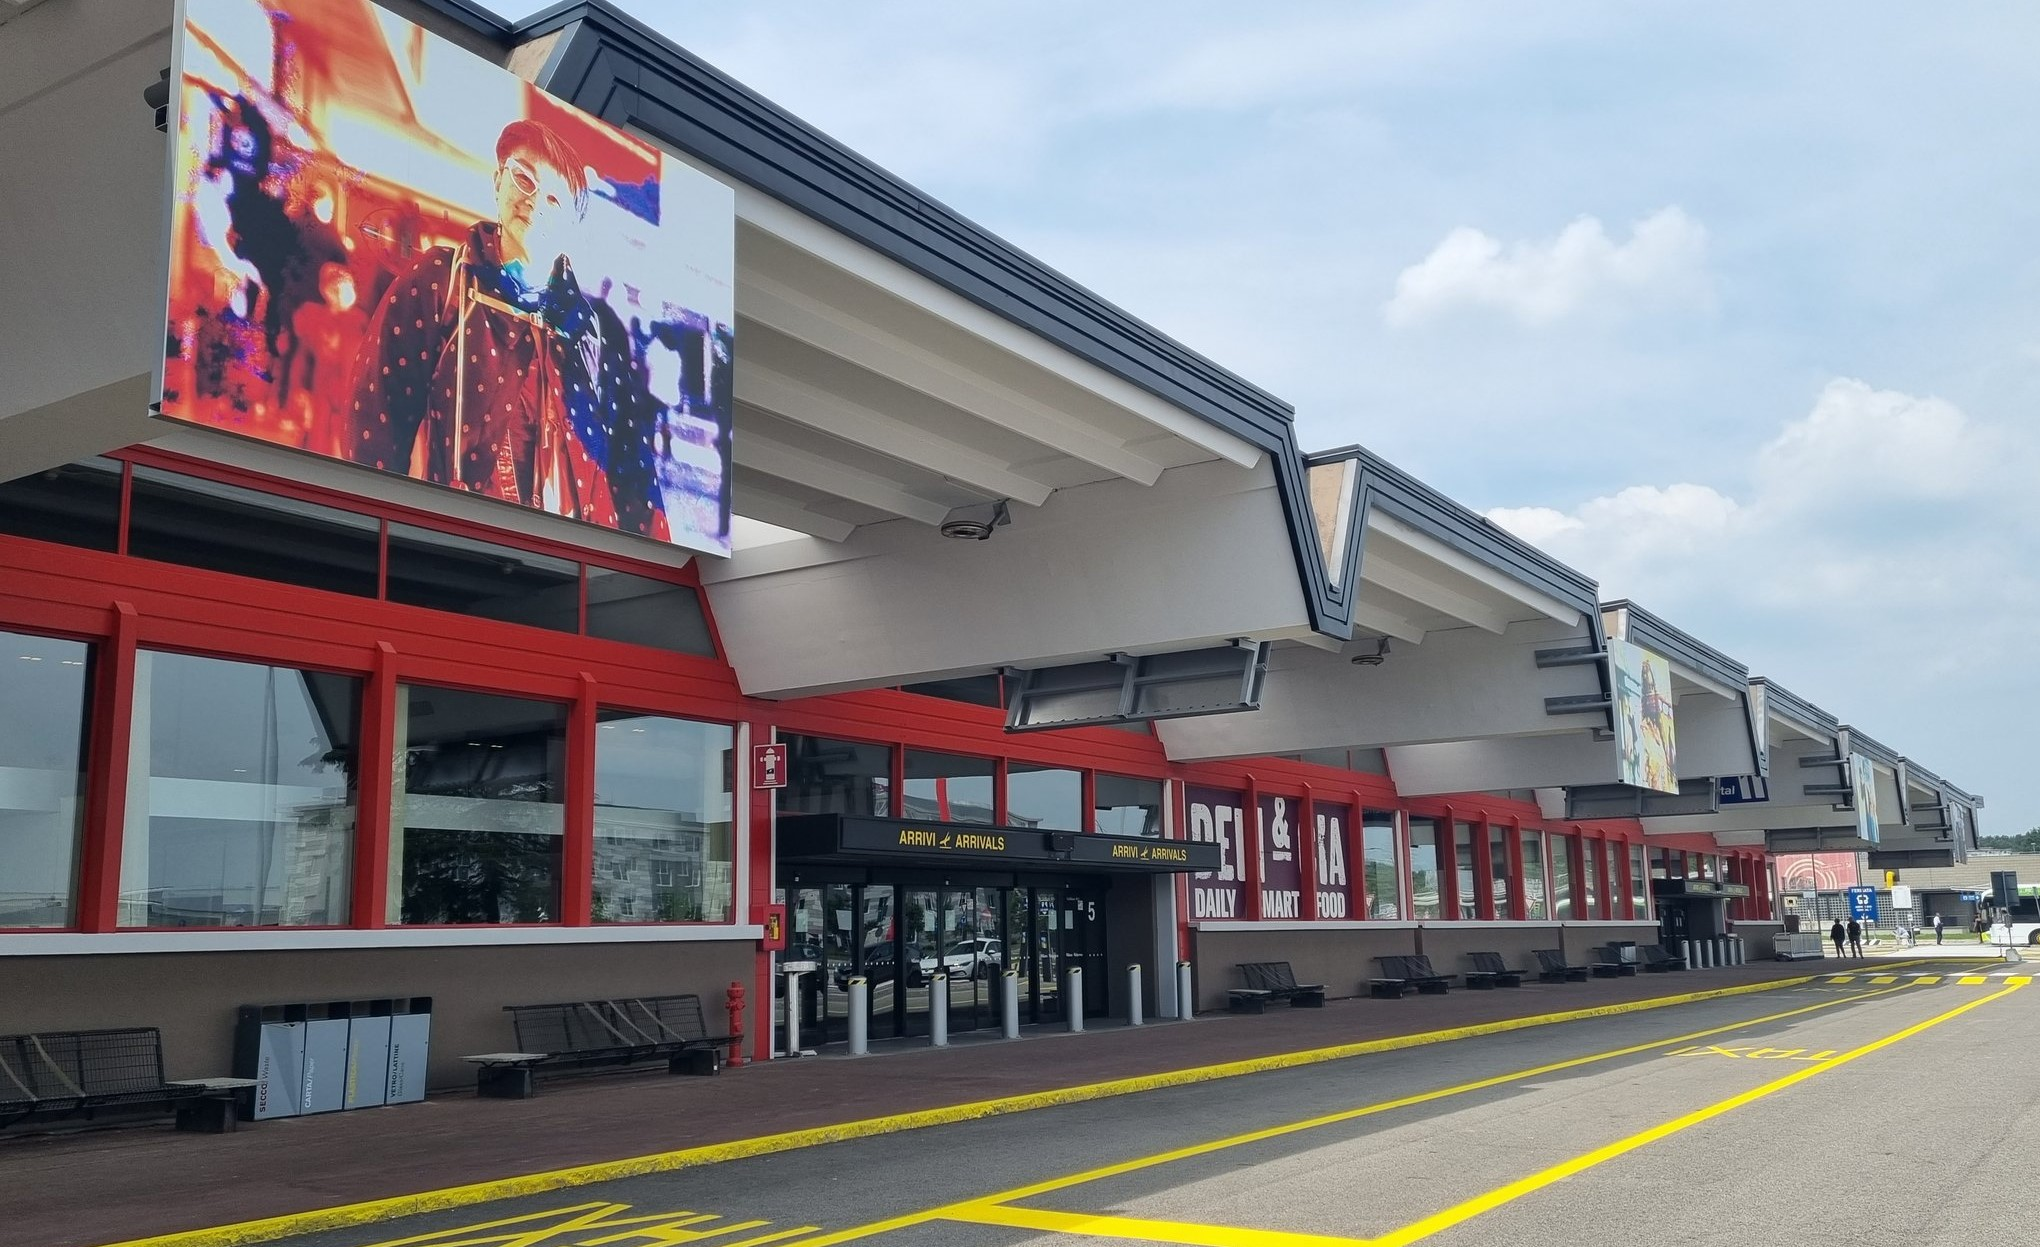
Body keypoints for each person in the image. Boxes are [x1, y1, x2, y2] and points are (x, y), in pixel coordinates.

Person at [345, 118, 630, 525]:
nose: (534, 201)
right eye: (524, 179)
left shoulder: (585, 325)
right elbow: (375, 423)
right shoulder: (442, 279)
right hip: (461, 539)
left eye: (555, 200)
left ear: (573, 225)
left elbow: (609, 467)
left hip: (564, 548)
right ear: (498, 181)